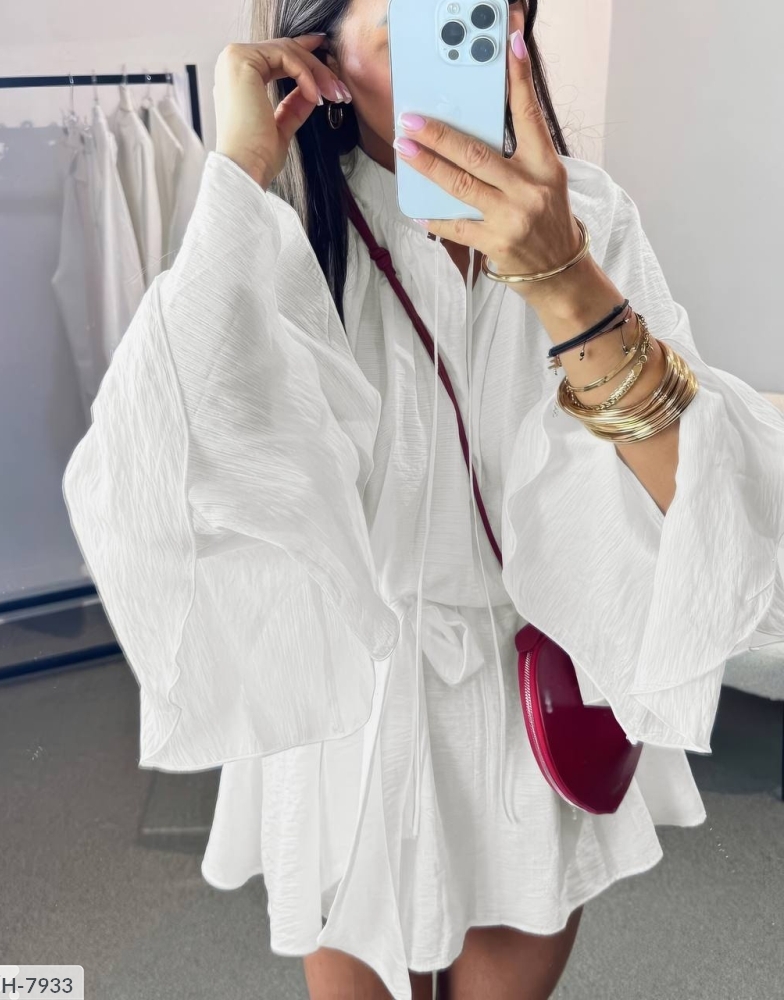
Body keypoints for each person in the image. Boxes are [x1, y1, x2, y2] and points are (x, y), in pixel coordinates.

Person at [61, 1, 784, 998]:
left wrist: (563, 277)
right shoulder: (278, 226)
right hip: (357, 708)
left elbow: (705, 501)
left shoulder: (590, 214)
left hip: (528, 685)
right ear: (322, 47)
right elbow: (148, 467)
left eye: (476, 14)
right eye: (407, 25)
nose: (455, 50)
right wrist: (239, 170)